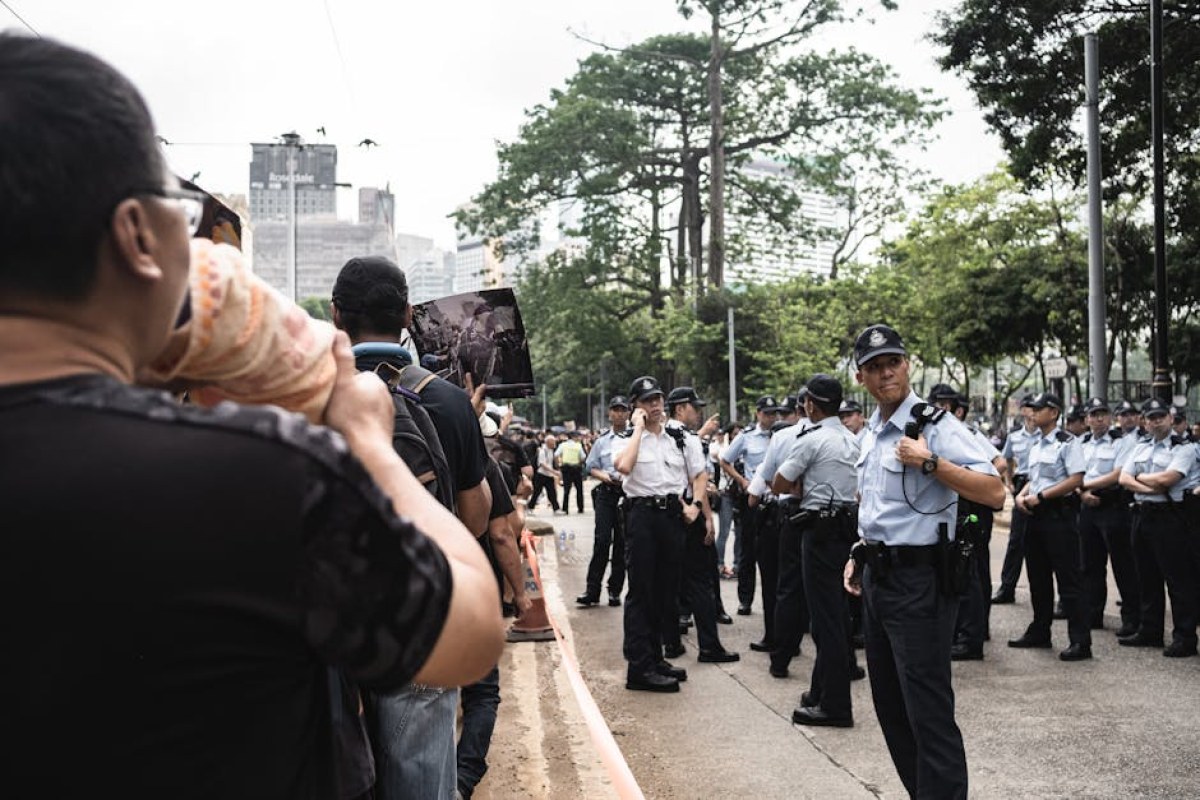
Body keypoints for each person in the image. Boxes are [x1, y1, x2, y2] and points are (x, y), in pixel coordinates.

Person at [0, 33, 504, 796]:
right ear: (137, 235)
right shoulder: (258, 475)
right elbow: (468, 631)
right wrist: (364, 439)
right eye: (181, 210)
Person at [332, 255, 497, 800]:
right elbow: (476, 518)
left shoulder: (308, 396)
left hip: (335, 631)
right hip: (423, 624)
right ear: (407, 314)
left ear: (336, 316)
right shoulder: (447, 401)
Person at [843, 324, 1004, 800]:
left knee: (928, 712)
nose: (885, 372)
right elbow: (876, 507)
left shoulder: (935, 426)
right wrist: (859, 552)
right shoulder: (872, 430)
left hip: (921, 583)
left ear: (907, 364)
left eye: (892, 362)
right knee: (891, 708)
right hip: (879, 579)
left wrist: (932, 463)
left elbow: (994, 491)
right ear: (861, 377)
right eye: (874, 367)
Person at [771, 375, 860, 727]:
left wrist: (803, 484)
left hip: (819, 533)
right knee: (836, 614)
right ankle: (820, 691)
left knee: (826, 621)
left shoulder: (812, 440)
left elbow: (779, 482)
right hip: (846, 529)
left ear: (810, 405)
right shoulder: (853, 441)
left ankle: (835, 706)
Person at [613, 376, 708, 692]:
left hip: (671, 516)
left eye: (657, 399)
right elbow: (624, 468)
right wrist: (638, 429)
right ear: (635, 408)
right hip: (641, 516)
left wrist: (695, 505)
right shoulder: (626, 438)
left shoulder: (679, 436)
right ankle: (639, 669)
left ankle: (655, 658)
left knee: (665, 591)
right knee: (642, 591)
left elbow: (699, 472)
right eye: (647, 401)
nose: (655, 406)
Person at [1008, 392, 1091, 661]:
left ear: (1054, 412)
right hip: (1035, 514)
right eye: (1032, 409)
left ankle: (1080, 641)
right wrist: (1023, 494)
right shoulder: (1037, 444)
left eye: (1039, 409)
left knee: (1069, 580)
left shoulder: (1068, 442)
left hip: (1059, 515)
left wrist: (1042, 496)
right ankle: (1040, 630)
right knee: (1038, 577)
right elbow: (1036, 478)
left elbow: (1076, 478)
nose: (1033, 413)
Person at [1118, 399, 1198, 657]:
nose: (1155, 421)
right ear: (1145, 421)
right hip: (1142, 514)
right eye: (1151, 417)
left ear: (1170, 419)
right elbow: (1123, 479)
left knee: (1177, 578)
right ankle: (1150, 630)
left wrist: (1140, 479)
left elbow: (1169, 479)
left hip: (1170, 517)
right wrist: (1147, 485)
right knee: (1146, 575)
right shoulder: (1140, 446)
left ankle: (1184, 636)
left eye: (1160, 416)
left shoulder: (1184, 447)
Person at [665, 386, 739, 664]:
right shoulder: (688, 439)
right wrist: (707, 517)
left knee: (670, 581)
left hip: (667, 514)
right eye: (695, 407)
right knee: (700, 582)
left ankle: (671, 642)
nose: (698, 413)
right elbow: (698, 480)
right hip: (690, 514)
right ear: (681, 408)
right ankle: (709, 645)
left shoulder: (661, 436)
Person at [1076, 397, 1139, 637]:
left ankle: (1132, 619)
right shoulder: (1081, 443)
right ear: (1087, 419)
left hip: (1112, 505)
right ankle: (1093, 614)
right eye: (1094, 414)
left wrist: (1085, 486)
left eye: (1103, 414)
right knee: (1090, 565)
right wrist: (1083, 494)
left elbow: (1118, 474)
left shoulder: (1120, 442)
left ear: (1110, 418)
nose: (1099, 418)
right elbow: (1073, 473)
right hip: (1087, 507)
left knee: (1123, 565)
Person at [720, 396, 782, 617]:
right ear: (758, 414)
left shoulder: (781, 436)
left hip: (777, 503)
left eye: (774, 413)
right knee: (748, 552)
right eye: (767, 413)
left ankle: (773, 600)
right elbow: (725, 460)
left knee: (774, 554)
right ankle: (745, 600)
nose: (770, 417)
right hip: (753, 502)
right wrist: (742, 481)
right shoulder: (746, 437)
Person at [578, 395, 632, 607]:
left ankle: (614, 591)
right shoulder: (602, 442)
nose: (619, 413)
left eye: (623, 410)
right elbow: (590, 467)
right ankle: (592, 590)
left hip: (627, 494)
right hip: (607, 493)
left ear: (629, 413)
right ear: (609, 414)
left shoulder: (634, 439)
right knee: (602, 541)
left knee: (622, 544)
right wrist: (607, 477)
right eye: (615, 410)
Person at [992, 393, 1038, 604]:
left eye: (1035, 407)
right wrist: (1009, 482)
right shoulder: (1015, 436)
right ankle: (1007, 588)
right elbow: (1007, 459)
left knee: (1047, 542)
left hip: (1041, 486)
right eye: (1028, 406)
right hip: (1021, 483)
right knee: (1015, 541)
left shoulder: (1045, 436)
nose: (1031, 411)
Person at [556, 430, 587, 513]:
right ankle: (580, 508)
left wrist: (558, 465)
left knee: (566, 490)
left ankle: (565, 509)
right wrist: (580, 463)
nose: (578, 438)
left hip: (566, 469)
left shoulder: (562, 445)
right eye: (577, 436)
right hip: (576, 468)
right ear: (573, 437)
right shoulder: (578, 446)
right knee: (579, 489)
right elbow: (583, 457)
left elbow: (556, 455)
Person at [530, 434, 561, 512]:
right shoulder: (542, 451)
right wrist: (554, 471)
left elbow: (551, 463)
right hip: (541, 475)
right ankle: (530, 507)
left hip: (549, 475)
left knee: (552, 492)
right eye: (553, 442)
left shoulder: (551, 450)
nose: (554, 444)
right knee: (537, 492)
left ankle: (556, 508)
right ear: (548, 442)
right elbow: (542, 464)